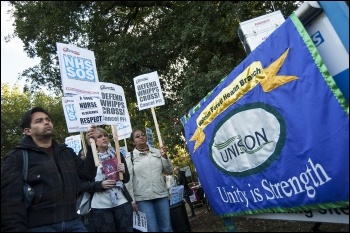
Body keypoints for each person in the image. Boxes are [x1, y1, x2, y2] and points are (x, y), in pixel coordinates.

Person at [1, 107, 97, 232]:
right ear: (27, 131)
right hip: (39, 226)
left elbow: (87, 175)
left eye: (48, 119)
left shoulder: (66, 152)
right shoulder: (17, 157)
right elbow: (9, 202)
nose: (46, 122)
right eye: (39, 121)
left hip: (73, 221)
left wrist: (91, 147)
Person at [125, 128, 173, 232]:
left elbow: (169, 171)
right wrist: (132, 201)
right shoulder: (130, 157)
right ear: (133, 142)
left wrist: (165, 157)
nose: (141, 137)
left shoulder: (157, 152)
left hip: (161, 194)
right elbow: (128, 181)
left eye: (143, 135)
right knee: (152, 229)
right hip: (142, 199)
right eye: (137, 136)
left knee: (166, 228)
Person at [88, 127, 133, 232]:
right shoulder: (89, 159)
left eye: (105, 135)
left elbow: (126, 179)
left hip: (121, 201)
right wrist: (100, 185)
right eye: (99, 136)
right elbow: (83, 184)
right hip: (100, 205)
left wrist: (123, 171)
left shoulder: (117, 154)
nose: (104, 138)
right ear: (94, 141)